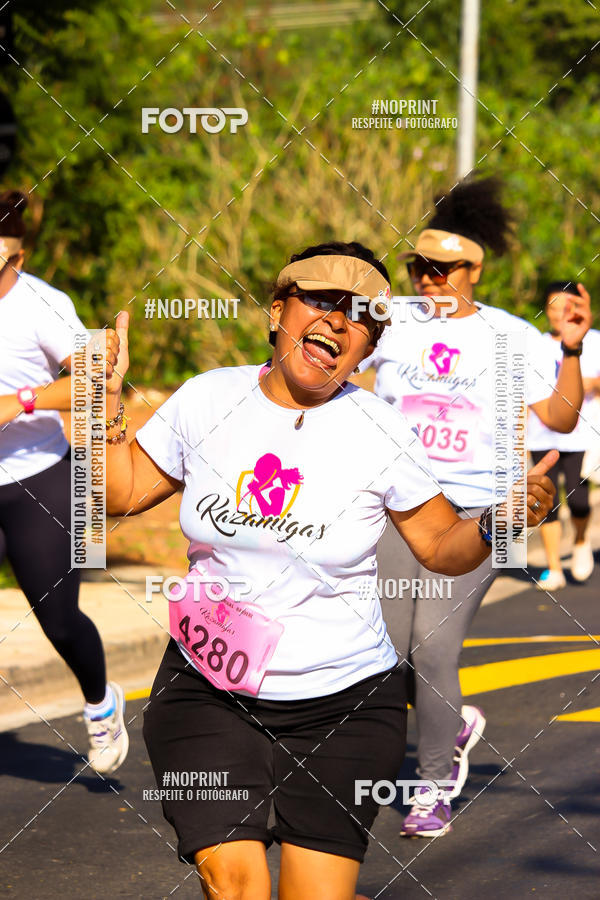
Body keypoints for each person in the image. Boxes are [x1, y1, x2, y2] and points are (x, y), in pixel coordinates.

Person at [103, 240, 555, 898]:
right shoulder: (207, 399)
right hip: (208, 692)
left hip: (345, 708)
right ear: (278, 309)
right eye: (321, 300)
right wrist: (97, 403)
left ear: (368, 347)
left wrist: (498, 520)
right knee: (237, 887)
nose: (340, 320)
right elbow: (114, 494)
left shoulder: (380, 428)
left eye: (363, 314)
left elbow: (440, 546)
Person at [358, 176, 591, 838]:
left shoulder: (509, 336)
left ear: (473, 271)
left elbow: (560, 416)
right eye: (418, 268)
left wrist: (571, 346)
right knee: (387, 650)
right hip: (400, 505)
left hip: (482, 509)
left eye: (443, 270)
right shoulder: (393, 321)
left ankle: (431, 788)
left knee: (432, 647)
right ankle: (452, 724)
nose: (429, 280)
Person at [0, 190, 128, 775]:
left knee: (59, 617)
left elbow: (94, 382)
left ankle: (102, 704)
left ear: (16, 260)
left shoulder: (43, 307)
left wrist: (19, 401)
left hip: (42, 478)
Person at [528, 281, 600, 589]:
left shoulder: (592, 340)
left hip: (579, 435)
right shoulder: (535, 343)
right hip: (541, 435)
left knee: (579, 497)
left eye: (566, 307)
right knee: (545, 501)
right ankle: (555, 568)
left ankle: (582, 540)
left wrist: (577, 381)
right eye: (554, 307)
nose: (559, 314)